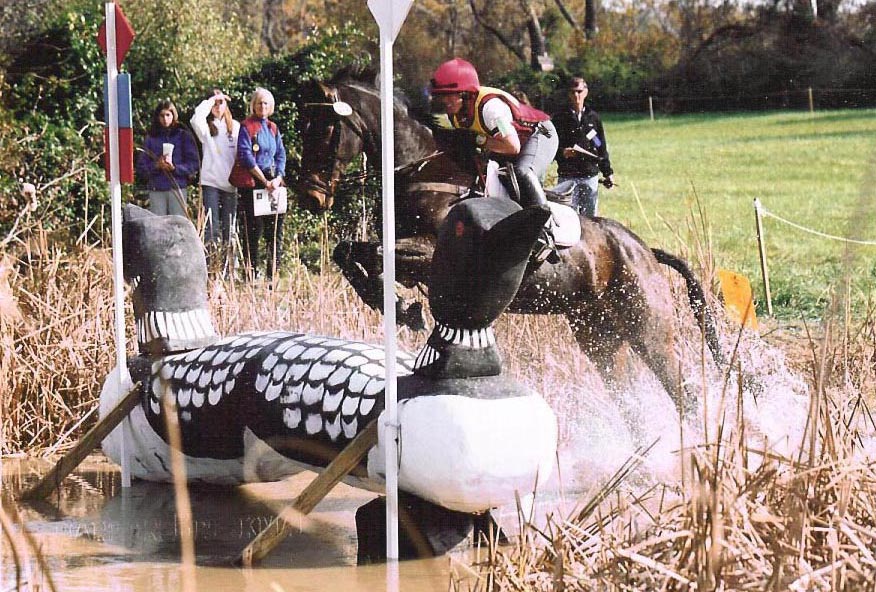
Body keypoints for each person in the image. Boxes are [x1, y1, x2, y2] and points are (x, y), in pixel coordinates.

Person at [429, 58, 559, 262]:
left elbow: (512, 146)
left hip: (539, 135)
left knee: (523, 172)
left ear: (464, 93)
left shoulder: (491, 108)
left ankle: (546, 232)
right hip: (507, 141)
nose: (443, 102)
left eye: (447, 96)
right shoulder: (457, 113)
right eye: (441, 96)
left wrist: (479, 139)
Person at [234, 87, 287, 282]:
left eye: (265, 103)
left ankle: (273, 274)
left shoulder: (273, 128)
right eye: (259, 103)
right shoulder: (247, 126)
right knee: (253, 231)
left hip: (274, 183)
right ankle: (251, 274)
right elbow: (245, 155)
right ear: (253, 105)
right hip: (254, 183)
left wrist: (278, 178)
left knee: (275, 232)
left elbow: (281, 154)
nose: (262, 106)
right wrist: (263, 181)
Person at [551, 77, 614, 217]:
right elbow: (551, 146)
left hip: (589, 175)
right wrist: (562, 153)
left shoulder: (593, 118)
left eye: (579, 91)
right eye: (572, 92)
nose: (576, 95)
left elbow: (600, 146)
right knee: (568, 218)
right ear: (568, 94)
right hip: (567, 176)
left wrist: (608, 172)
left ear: (585, 92)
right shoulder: (560, 118)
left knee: (590, 219)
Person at [190, 89, 240, 248]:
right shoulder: (205, 128)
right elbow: (195, 119)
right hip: (211, 182)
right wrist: (211, 100)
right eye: (214, 104)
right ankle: (212, 267)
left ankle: (230, 268)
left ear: (226, 105)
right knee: (211, 228)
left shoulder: (236, 127)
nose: (218, 106)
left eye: (221, 103)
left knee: (229, 228)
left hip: (231, 184)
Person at [135, 99, 200, 216]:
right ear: (157, 117)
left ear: (173, 115)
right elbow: (141, 167)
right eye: (162, 115)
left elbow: (193, 164)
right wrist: (156, 165)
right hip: (157, 188)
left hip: (177, 187)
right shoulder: (151, 138)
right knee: (158, 226)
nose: (165, 119)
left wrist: (175, 168)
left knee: (177, 225)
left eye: (168, 115)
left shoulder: (183, 136)